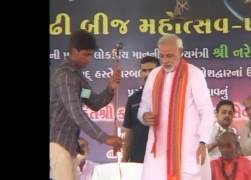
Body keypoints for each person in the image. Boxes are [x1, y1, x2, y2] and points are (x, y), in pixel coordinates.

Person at [137, 34, 215, 180]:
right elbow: (143, 107)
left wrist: (203, 141)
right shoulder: (154, 75)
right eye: (162, 56)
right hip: (157, 154)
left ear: (180, 52)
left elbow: (207, 111)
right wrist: (144, 116)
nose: (165, 60)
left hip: (187, 149)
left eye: (169, 56)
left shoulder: (194, 74)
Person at [50, 30, 122, 180]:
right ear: (74, 51)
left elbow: (94, 103)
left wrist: (110, 88)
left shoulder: (77, 77)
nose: (90, 59)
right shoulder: (65, 76)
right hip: (59, 143)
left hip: (69, 145)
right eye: (86, 54)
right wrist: (104, 138)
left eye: (91, 55)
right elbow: (76, 112)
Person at [122, 56, 160, 163]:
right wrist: (125, 159)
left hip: (162, 159)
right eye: (144, 70)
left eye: (151, 70)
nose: (147, 74)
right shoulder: (133, 99)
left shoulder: (168, 96)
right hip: (138, 159)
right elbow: (129, 132)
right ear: (140, 73)